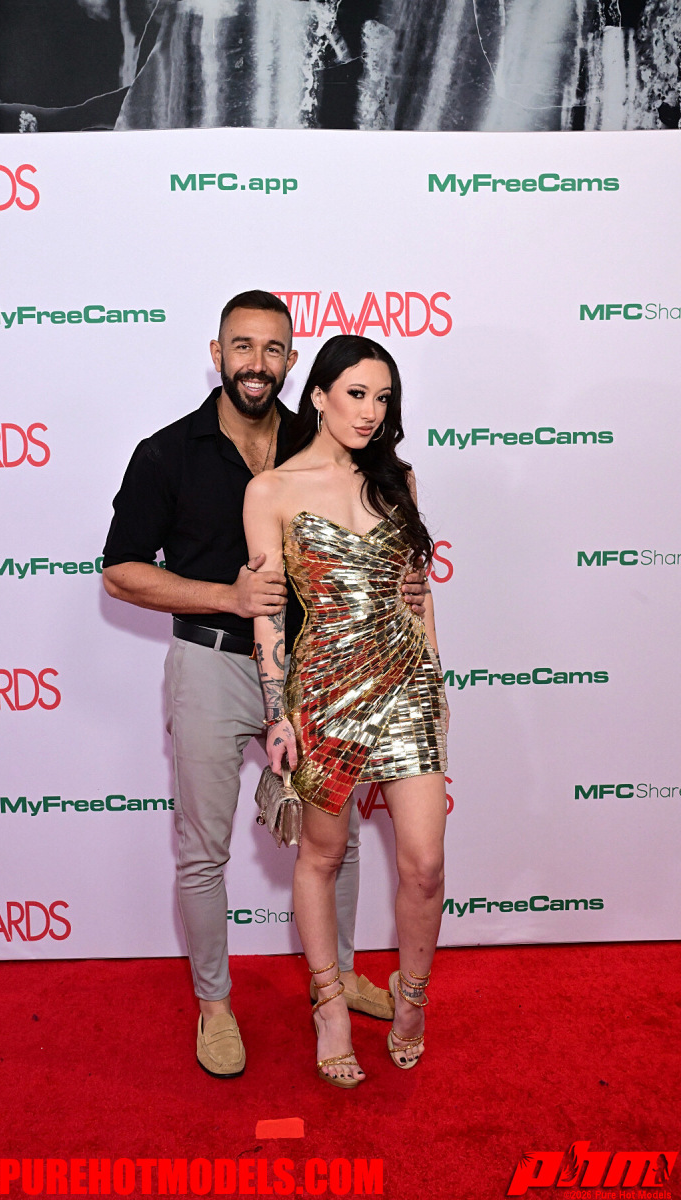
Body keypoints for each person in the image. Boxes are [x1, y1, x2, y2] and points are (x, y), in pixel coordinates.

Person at [102, 292, 427, 1077]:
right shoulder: (165, 453)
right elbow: (120, 572)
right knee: (203, 848)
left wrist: (403, 589)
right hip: (213, 663)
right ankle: (214, 1003)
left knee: (336, 839)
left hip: (317, 671)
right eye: (242, 347)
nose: (257, 363)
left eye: (273, 349)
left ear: (292, 363)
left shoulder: (322, 437)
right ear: (217, 355)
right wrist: (228, 596)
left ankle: (337, 977)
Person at [244, 334, 449, 1087]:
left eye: (382, 398)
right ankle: (329, 1005)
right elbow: (269, 614)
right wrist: (278, 712)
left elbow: (417, 591)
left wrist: (437, 678)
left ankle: (412, 996)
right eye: (356, 394)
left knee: (424, 864)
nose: (370, 412)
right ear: (319, 396)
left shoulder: (399, 479)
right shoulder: (271, 491)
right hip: (325, 694)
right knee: (322, 857)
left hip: (406, 684)